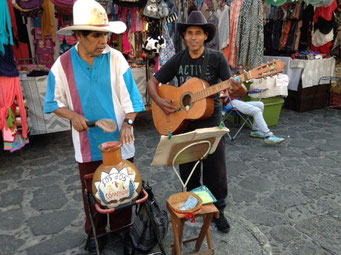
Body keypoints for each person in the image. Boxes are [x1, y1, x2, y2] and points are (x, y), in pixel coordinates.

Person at [43, 0, 145, 253]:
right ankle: (96, 233)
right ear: (78, 35)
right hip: (87, 144)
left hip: (120, 143)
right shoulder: (62, 66)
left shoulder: (117, 59)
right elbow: (53, 102)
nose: (104, 41)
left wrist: (128, 123)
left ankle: (122, 230)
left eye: (105, 35)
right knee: (93, 192)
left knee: (124, 190)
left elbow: (132, 99)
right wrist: (72, 115)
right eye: (97, 35)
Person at [147, 9, 246, 233]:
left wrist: (240, 87)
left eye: (198, 33)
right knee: (188, 168)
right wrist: (160, 103)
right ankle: (192, 205)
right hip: (182, 121)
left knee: (215, 169)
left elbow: (235, 88)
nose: (193, 37)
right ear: (184, 36)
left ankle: (218, 210)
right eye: (189, 33)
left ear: (205, 36)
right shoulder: (178, 59)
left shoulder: (217, 59)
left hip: (211, 119)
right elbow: (152, 83)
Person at [221, 65, 285, 144]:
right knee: (256, 110)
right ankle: (268, 135)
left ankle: (255, 130)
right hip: (230, 103)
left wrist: (241, 87)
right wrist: (227, 90)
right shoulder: (221, 83)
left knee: (260, 104)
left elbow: (242, 93)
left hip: (238, 102)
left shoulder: (236, 81)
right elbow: (223, 99)